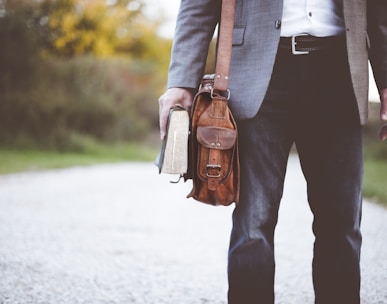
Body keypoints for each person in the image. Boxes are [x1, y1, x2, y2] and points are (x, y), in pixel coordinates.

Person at [158, 1, 387, 303]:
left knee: (342, 225)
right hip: (259, 71)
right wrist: (181, 81)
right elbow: (198, 6)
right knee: (253, 224)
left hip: (340, 70)